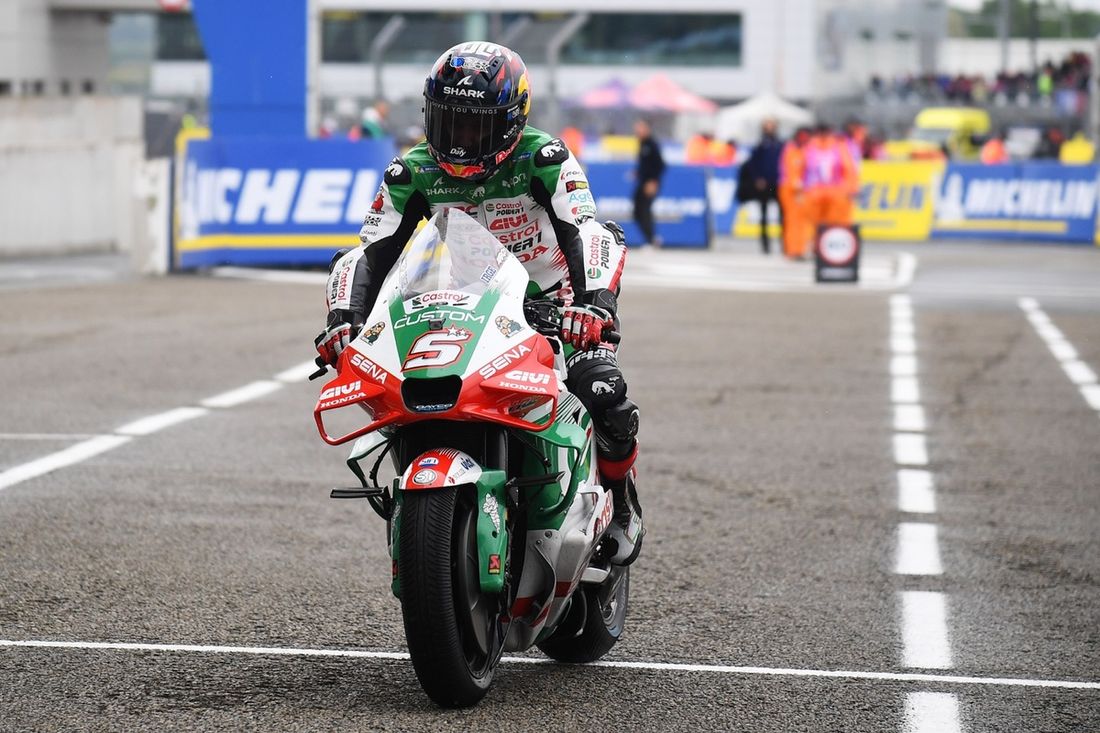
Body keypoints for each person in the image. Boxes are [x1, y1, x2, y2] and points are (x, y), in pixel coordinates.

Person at [314, 42, 644, 566]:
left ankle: (621, 500)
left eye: (476, 127)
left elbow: (588, 231)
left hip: (553, 306)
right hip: (464, 302)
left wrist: (595, 306)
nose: (462, 141)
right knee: (409, 392)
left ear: (513, 122)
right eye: (451, 124)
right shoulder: (410, 173)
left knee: (602, 392)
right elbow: (369, 253)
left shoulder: (547, 159)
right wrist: (343, 320)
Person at [802, 123, 858, 252]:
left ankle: (832, 248)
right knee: (813, 222)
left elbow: (848, 169)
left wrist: (851, 188)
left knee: (835, 221)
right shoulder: (811, 147)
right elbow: (802, 169)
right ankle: (815, 246)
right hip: (816, 191)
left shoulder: (838, 147)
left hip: (833, 191)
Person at [740, 118, 784, 254]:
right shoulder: (760, 144)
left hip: (777, 184)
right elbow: (753, 164)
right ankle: (765, 245)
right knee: (763, 215)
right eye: (767, 126)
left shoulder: (780, 144)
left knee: (783, 216)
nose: (770, 128)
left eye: (772, 126)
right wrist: (757, 179)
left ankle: (785, 243)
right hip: (765, 185)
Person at [777, 127, 811, 260]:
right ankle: (792, 249)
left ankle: (800, 248)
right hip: (791, 190)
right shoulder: (791, 150)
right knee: (792, 220)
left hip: (802, 190)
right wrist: (797, 187)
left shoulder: (805, 150)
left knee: (802, 221)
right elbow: (791, 171)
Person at [633, 118, 665, 247]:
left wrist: (653, 181)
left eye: (640, 128)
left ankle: (651, 240)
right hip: (642, 182)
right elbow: (645, 164)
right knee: (637, 211)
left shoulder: (652, 144)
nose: (637, 131)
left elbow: (660, 165)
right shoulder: (642, 143)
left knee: (644, 211)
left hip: (649, 183)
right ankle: (651, 239)